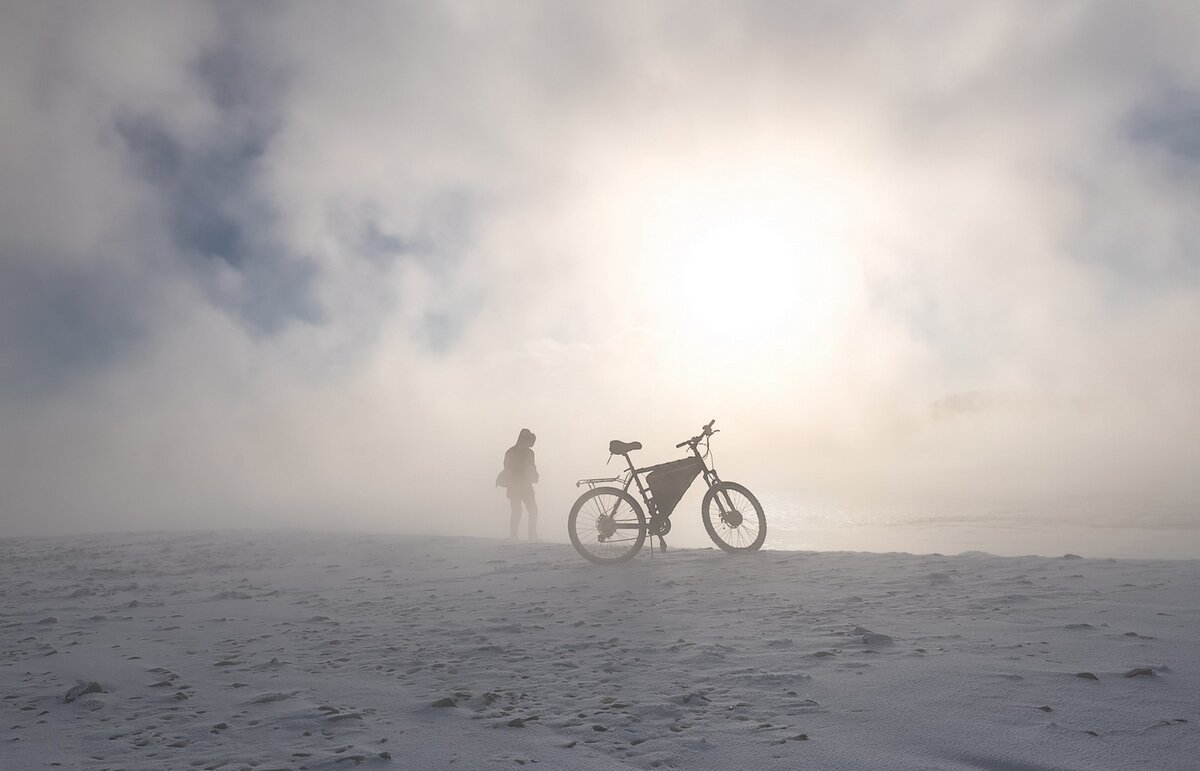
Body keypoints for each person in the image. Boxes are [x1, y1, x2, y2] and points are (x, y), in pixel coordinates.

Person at [497, 428, 539, 540]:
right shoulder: (527, 453)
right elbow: (530, 468)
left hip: (517, 486)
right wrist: (534, 476)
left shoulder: (511, 451)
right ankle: (529, 536)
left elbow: (507, 468)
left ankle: (516, 536)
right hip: (521, 485)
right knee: (529, 510)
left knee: (519, 511)